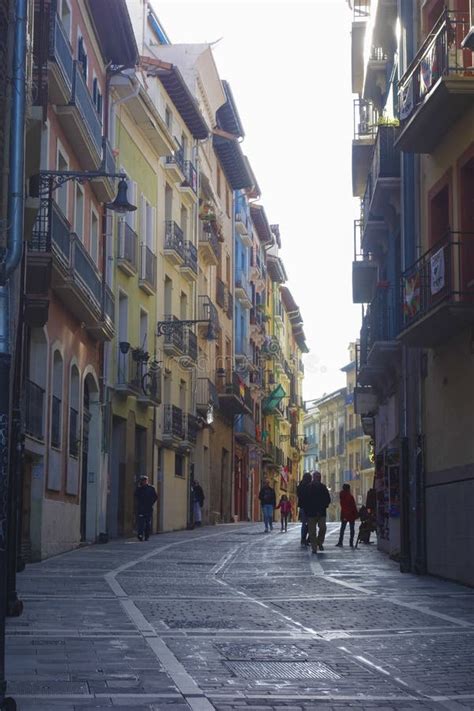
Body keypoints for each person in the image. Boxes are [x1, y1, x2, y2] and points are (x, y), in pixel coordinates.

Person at [299, 471, 331, 554]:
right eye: (316, 477)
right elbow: (305, 500)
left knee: (323, 528)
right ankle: (314, 548)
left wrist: (324, 506)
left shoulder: (323, 488)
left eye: (319, 477)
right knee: (312, 532)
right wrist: (306, 511)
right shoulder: (308, 488)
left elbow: (328, 499)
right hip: (311, 513)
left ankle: (319, 542)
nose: (318, 478)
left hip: (321, 513)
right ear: (313, 478)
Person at [134, 475, 157, 541]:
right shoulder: (139, 488)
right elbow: (135, 496)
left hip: (148, 509)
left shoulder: (151, 488)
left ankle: (146, 536)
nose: (144, 482)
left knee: (147, 524)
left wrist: (150, 503)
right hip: (140, 509)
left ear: (147, 481)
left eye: (145, 480)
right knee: (141, 523)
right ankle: (140, 535)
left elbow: (155, 497)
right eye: (143, 480)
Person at [336, 483, 359, 548]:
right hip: (351, 514)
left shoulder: (342, 495)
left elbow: (343, 505)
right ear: (348, 489)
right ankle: (351, 542)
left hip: (344, 514)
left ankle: (340, 542)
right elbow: (353, 506)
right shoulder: (350, 496)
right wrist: (356, 514)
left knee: (342, 529)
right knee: (352, 529)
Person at [297, 472, 312, 546]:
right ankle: (307, 538)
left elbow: (299, 495)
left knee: (305, 523)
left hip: (303, 507)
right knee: (310, 523)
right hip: (309, 507)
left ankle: (304, 538)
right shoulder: (309, 486)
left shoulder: (300, 486)